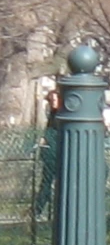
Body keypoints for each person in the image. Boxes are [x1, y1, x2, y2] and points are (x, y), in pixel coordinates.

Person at [35, 89, 60, 218]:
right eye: (51, 100)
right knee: (46, 182)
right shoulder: (52, 115)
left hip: (59, 154)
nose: (53, 103)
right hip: (51, 155)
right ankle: (38, 209)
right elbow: (49, 131)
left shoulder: (62, 115)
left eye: (55, 99)